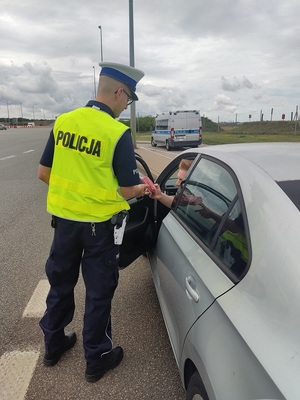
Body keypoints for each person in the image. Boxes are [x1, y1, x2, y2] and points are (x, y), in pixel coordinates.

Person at [38, 61, 148, 383]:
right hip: (100, 230)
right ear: (118, 91)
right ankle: (96, 359)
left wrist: (73, 197)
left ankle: (53, 344)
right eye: (128, 98)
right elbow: (128, 189)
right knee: (99, 293)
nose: (126, 105)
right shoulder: (116, 132)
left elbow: (44, 173)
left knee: (60, 286)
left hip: (64, 226)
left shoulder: (64, 122)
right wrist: (144, 187)